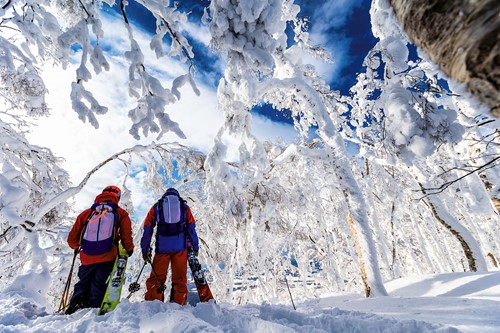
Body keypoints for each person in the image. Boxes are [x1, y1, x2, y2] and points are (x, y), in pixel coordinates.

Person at [65, 185, 134, 314]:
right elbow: (126, 235)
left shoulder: (87, 213)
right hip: (108, 255)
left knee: (83, 283)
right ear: (117, 197)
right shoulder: (120, 213)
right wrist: (129, 249)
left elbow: (72, 241)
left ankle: (75, 308)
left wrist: (78, 247)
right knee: (99, 283)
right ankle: (94, 311)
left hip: (87, 256)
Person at [141, 188, 199, 305]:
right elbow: (192, 228)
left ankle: (153, 304)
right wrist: (195, 247)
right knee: (180, 279)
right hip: (180, 249)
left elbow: (147, 229)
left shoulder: (157, 207)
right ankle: (179, 304)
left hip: (162, 249)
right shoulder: (184, 207)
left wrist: (145, 250)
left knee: (157, 279)